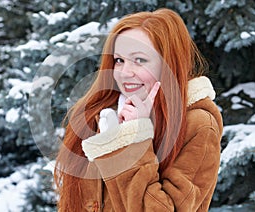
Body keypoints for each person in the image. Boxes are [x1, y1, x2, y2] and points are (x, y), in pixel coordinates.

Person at [54, 8, 223, 211]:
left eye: (140, 60)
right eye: (119, 60)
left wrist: (134, 139)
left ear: (169, 63)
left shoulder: (199, 125)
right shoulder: (103, 114)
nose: (125, 73)